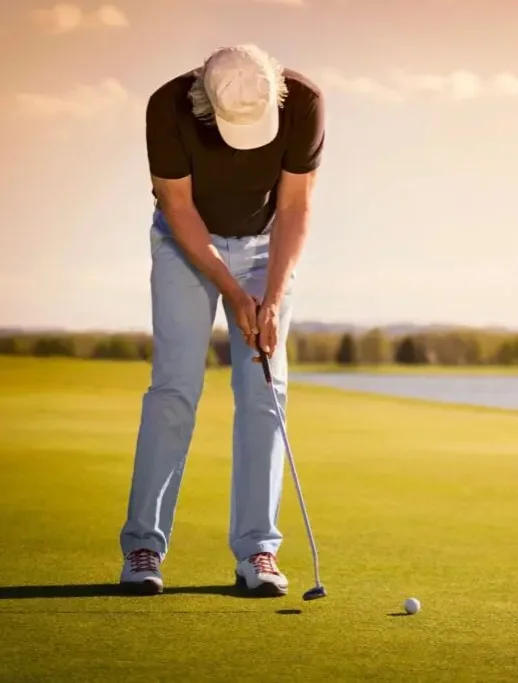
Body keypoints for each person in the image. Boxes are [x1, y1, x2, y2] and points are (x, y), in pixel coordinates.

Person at [117, 44, 325, 597]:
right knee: (174, 389)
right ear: (204, 104)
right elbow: (177, 207)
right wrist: (233, 292)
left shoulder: (304, 103)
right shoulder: (167, 106)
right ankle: (144, 546)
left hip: (265, 246)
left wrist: (271, 297)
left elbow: (296, 206)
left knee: (264, 389)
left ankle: (259, 549)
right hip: (185, 243)